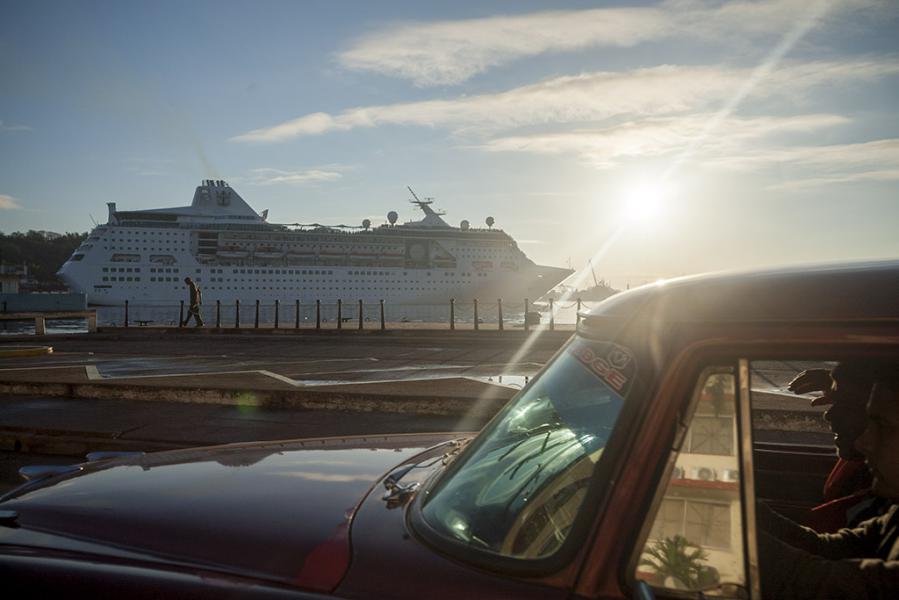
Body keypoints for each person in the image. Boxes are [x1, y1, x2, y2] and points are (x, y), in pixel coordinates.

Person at [759, 371, 899, 598]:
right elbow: (829, 548)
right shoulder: (894, 516)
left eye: (884, 427)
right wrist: (749, 511)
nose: (864, 443)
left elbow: (822, 585)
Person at [788, 363, 879, 531]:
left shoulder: (873, 510)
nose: (828, 414)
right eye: (835, 401)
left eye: (850, 405)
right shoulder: (867, 467)